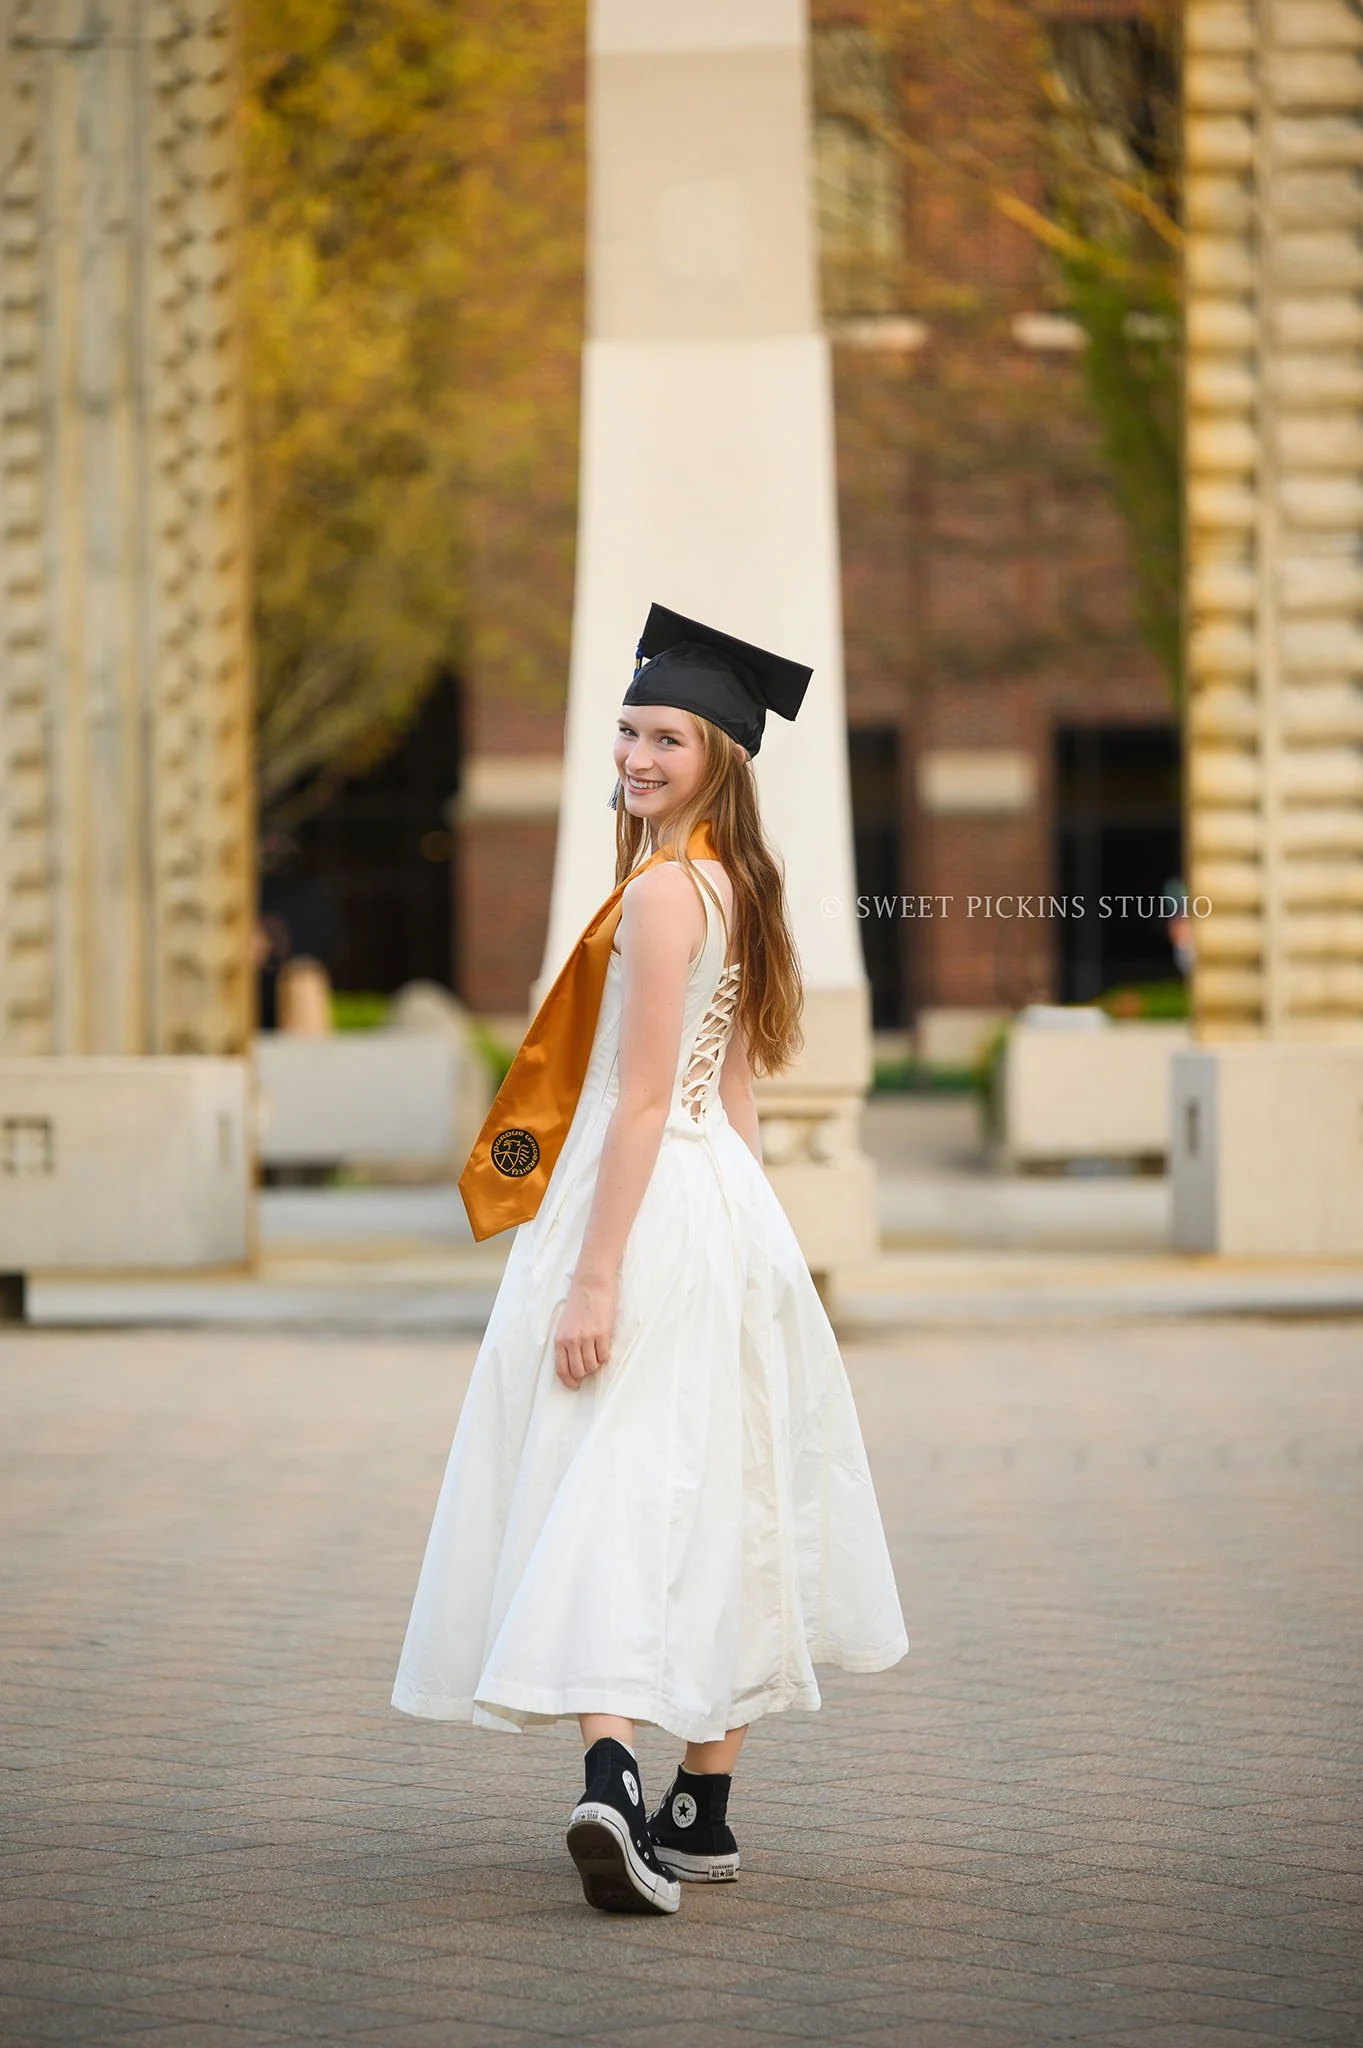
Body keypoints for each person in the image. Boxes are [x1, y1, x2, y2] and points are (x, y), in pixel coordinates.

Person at [392, 603, 908, 1916]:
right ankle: (703, 1803)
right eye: (626, 729)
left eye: (664, 735)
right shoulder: (740, 886)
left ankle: (611, 1778)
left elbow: (636, 1102)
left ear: (720, 757)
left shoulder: (666, 892)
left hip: (637, 1209)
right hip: (716, 1208)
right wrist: (753, 1249)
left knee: (597, 1476)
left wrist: (597, 1272)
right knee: (722, 1488)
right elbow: (732, 1096)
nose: (634, 754)